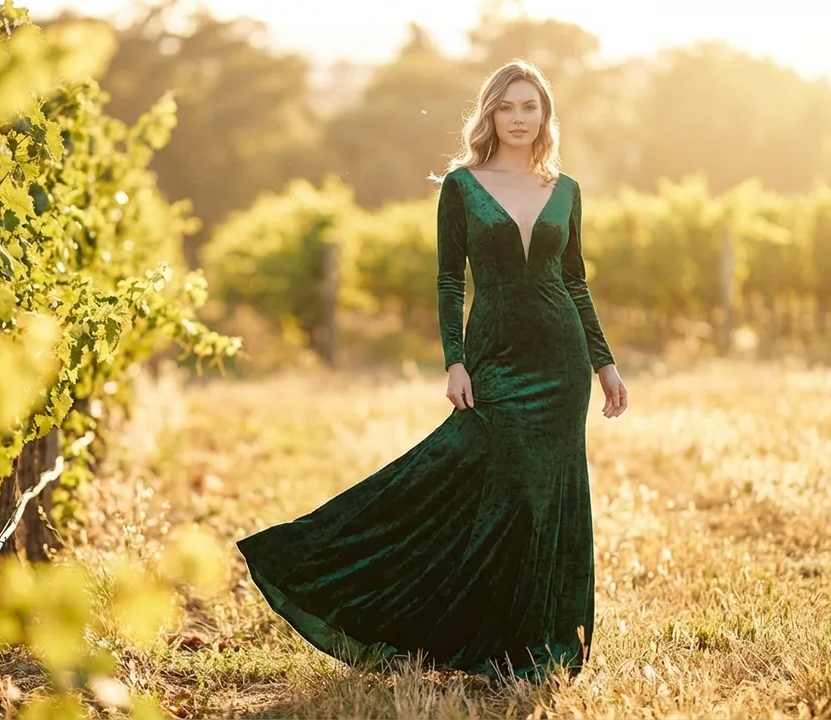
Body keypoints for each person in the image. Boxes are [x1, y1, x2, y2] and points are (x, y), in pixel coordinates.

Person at [236, 58, 628, 683]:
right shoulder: (463, 186)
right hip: (495, 357)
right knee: (487, 486)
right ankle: (349, 575)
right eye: (508, 107)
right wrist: (455, 360)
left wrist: (603, 363)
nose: (520, 118)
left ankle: (535, 648)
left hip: (560, 363)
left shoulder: (567, 189)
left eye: (530, 106)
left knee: (544, 498)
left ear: (546, 114)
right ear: (490, 114)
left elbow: (574, 282)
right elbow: (450, 281)